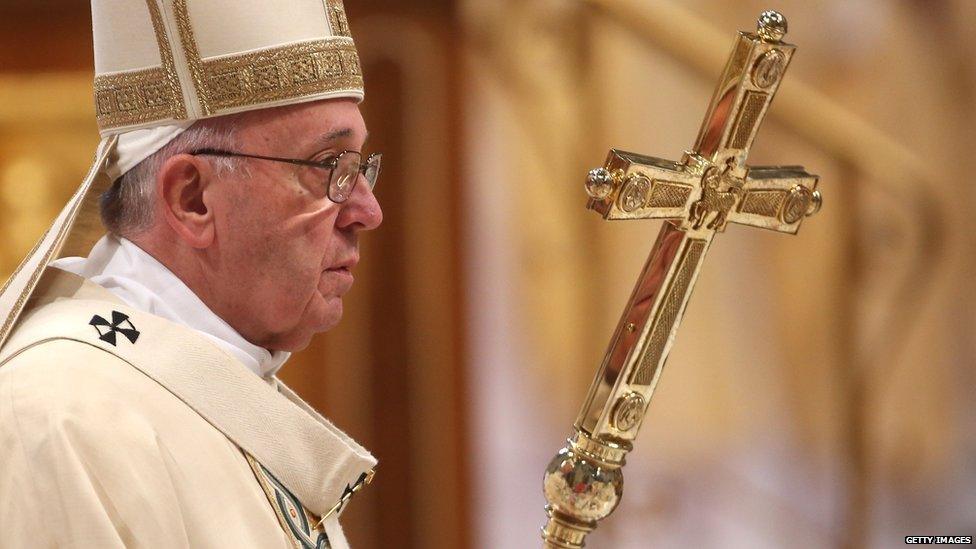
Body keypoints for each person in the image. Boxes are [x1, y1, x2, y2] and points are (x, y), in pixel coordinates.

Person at [0, 1, 381, 547]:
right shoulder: (60, 415)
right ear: (192, 198)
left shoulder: (211, 392)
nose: (369, 211)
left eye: (361, 168)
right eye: (330, 167)